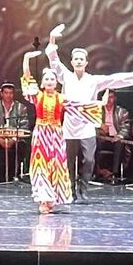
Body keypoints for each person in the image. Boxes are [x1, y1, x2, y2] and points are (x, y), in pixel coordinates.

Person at [45, 26, 133, 201]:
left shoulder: (93, 81)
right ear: (72, 62)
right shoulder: (65, 77)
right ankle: (70, 190)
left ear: (86, 63)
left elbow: (115, 79)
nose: (78, 61)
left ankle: (83, 188)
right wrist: (52, 38)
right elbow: (54, 61)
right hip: (69, 127)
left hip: (86, 127)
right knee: (68, 162)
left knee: (89, 160)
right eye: (76, 59)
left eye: (81, 59)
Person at [22, 51, 101, 214]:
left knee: (57, 167)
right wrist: (26, 59)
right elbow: (27, 78)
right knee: (41, 166)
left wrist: (98, 105)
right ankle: (43, 198)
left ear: (56, 82)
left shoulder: (61, 98)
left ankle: (52, 198)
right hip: (41, 134)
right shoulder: (37, 96)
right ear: (42, 82)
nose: (50, 81)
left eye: (52, 79)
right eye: (47, 79)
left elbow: (79, 106)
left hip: (57, 135)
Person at [0, 81, 32, 182]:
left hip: (15, 139)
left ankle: (14, 174)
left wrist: (13, 140)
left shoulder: (21, 108)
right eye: (6, 93)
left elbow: (24, 127)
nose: (8, 95)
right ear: (1, 94)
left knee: (21, 146)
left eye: (11, 93)